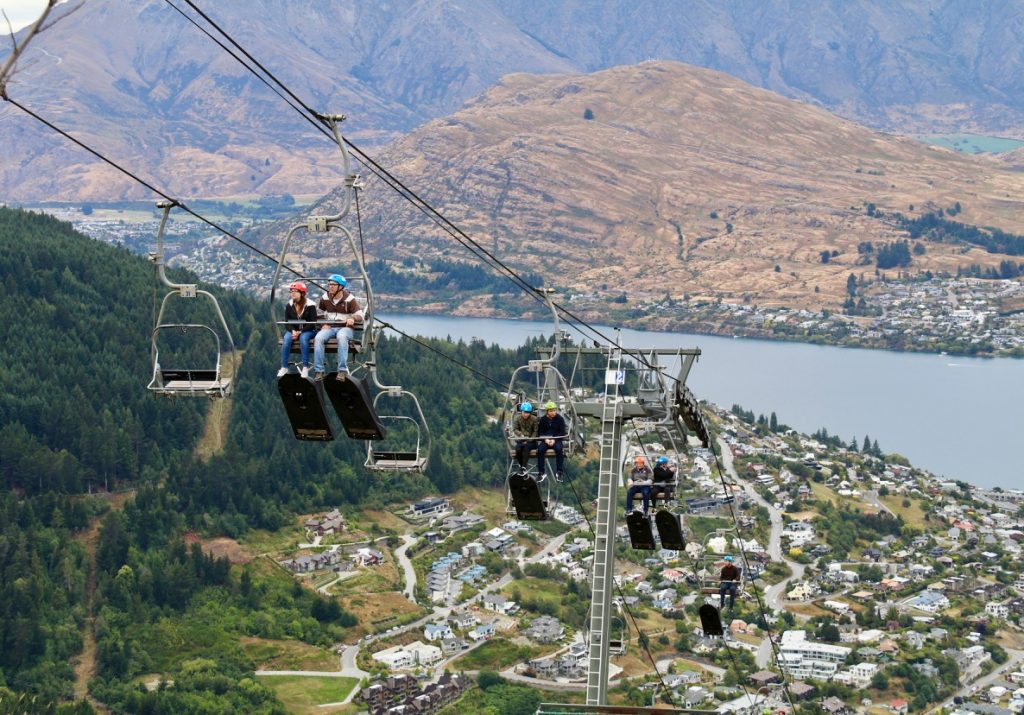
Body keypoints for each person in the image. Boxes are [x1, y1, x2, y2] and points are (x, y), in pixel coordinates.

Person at [313, 274, 363, 381]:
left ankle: (342, 370)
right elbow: (318, 314)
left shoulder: (349, 299)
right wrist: (323, 324)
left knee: (342, 337)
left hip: (345, 327)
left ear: (340, 287)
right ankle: (319, 371)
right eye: (329, 284)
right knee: (318, 338)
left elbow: (360, 315)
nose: (330, 287)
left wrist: (353, 318)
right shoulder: (325, 297)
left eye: (333, 285)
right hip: (330, 327)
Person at [278, 281, 318, 378]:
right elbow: (287, 322)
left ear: (302, 293)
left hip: (308, 330)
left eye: (295, 291)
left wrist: (300, 332)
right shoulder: (289, 305)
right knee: (286, 340)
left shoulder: (310, 305)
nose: (293, 293)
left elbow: (312, 323)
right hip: (294, 330)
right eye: (291, 291)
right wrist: (293, 331)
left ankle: (305, 366)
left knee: (303, 339)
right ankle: (284, 366)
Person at [536, 400, 566, 479]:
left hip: (556, 439)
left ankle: (559, 471)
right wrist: (546, 439)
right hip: (546, 440)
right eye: (551, 411)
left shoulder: (560, 419)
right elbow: (540, 432)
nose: (553, 412)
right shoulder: (543, 420)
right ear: (547, 411)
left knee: (559, 449)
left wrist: (554, 440)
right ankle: (541, 472)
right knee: (540, 450)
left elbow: (562, 432)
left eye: (554, 411)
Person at [511, 402, 539, 472]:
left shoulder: (534, 419)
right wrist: (521, 434)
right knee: (518, 449)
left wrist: (530, 439)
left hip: (532, 441)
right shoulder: (517, 419)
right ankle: (521, 465)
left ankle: (524, 466)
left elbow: (535, 431)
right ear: (521, 411)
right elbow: (515, 429)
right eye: (524, 412)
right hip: (522, 439)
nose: (526, 414)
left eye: (528, 412)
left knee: (526, 447)